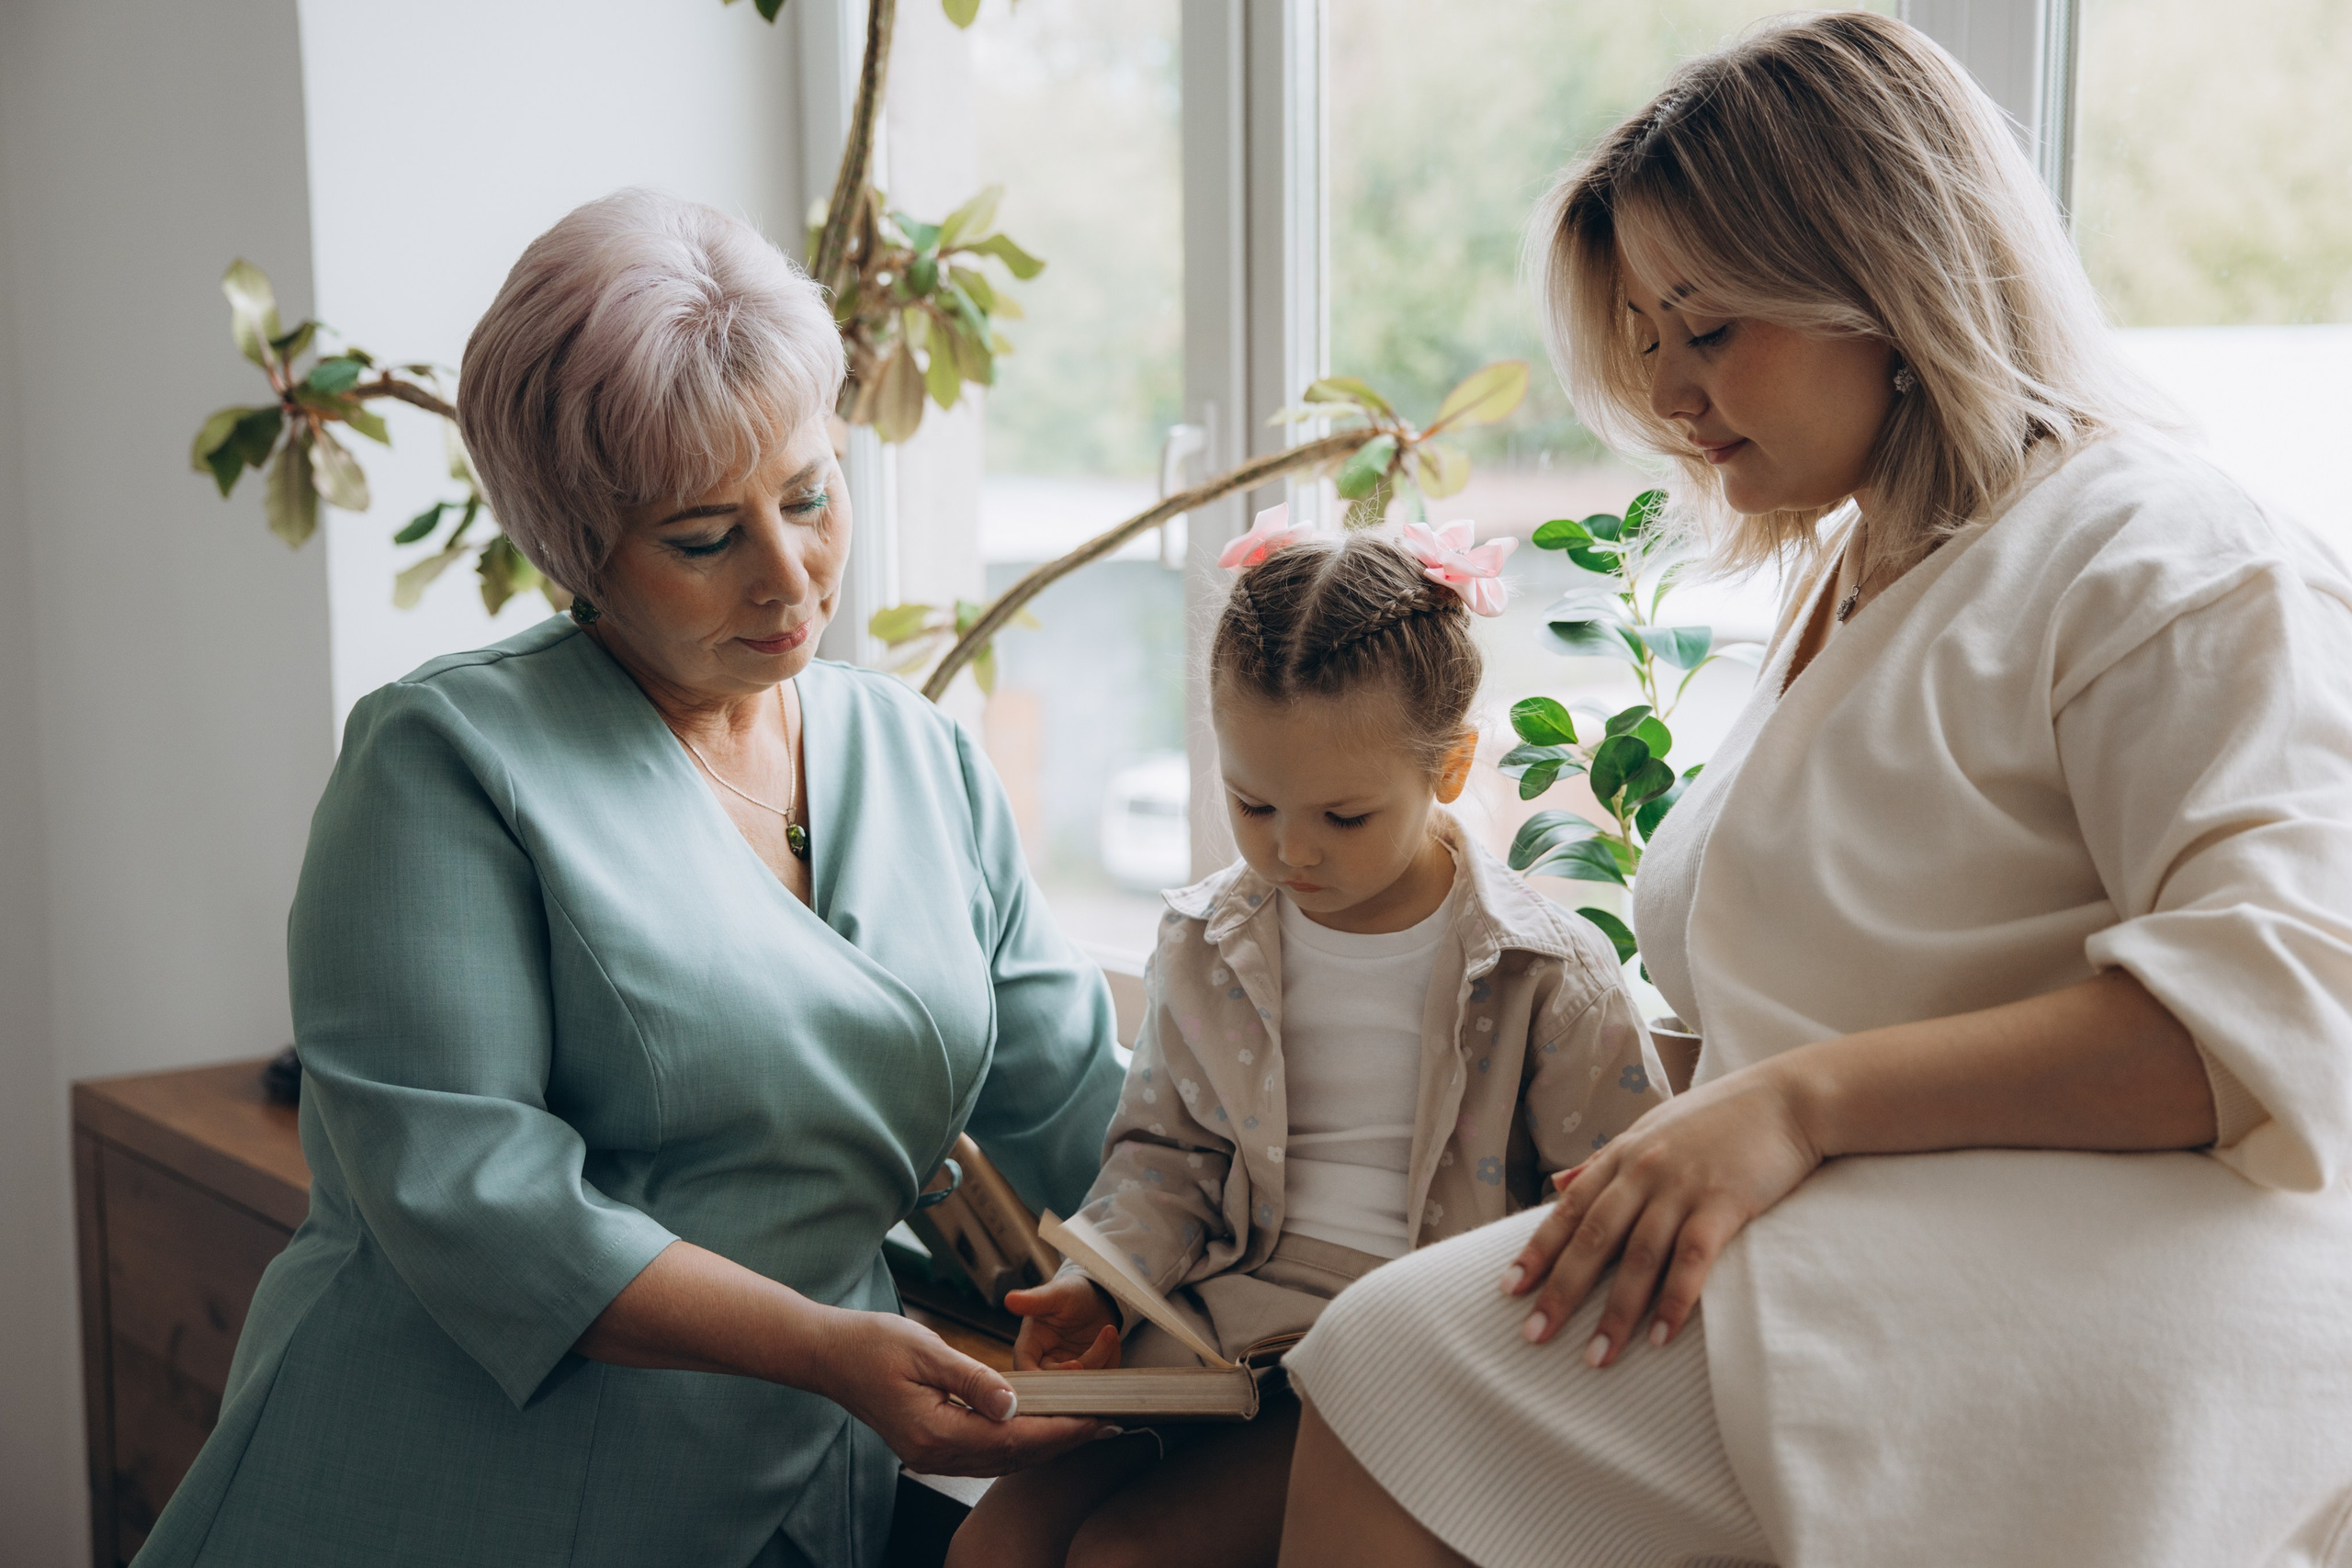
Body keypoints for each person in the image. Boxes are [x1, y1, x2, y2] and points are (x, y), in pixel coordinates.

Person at [1274, 14, 2352, 1568]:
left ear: (1892, 285)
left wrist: (1790, 1108)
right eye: (1645, 337)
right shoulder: (1874, 571)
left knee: (1399, 1369)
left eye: (1708, 331)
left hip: (2145, 1262)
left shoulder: (2164, 554)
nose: (1669, 391)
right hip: (1897, 1228)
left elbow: (2278, 1007)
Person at [135, 189, 1125, 1568]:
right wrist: (826, 1348)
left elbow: (1081, 1108)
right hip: (459, 1487)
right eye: (707, 537)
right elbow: (471, 1192)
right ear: (577, 548)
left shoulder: (924, 758)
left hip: (792, 1485)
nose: (789, 576)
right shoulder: (447, 760)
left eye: (808, 494)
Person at [950, 517, 1669, 1568]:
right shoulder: (1207, 943)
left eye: (1342, 816)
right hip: (1224, 1334)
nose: (1290, 850)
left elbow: (1610, 1202)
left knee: (1130, 1556)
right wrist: (1098, 1284)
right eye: (1252, 803)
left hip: (1403, 1352)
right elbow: (1169, 1156)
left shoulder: (1544, 973)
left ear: (1453, 767)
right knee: (992, 1546)